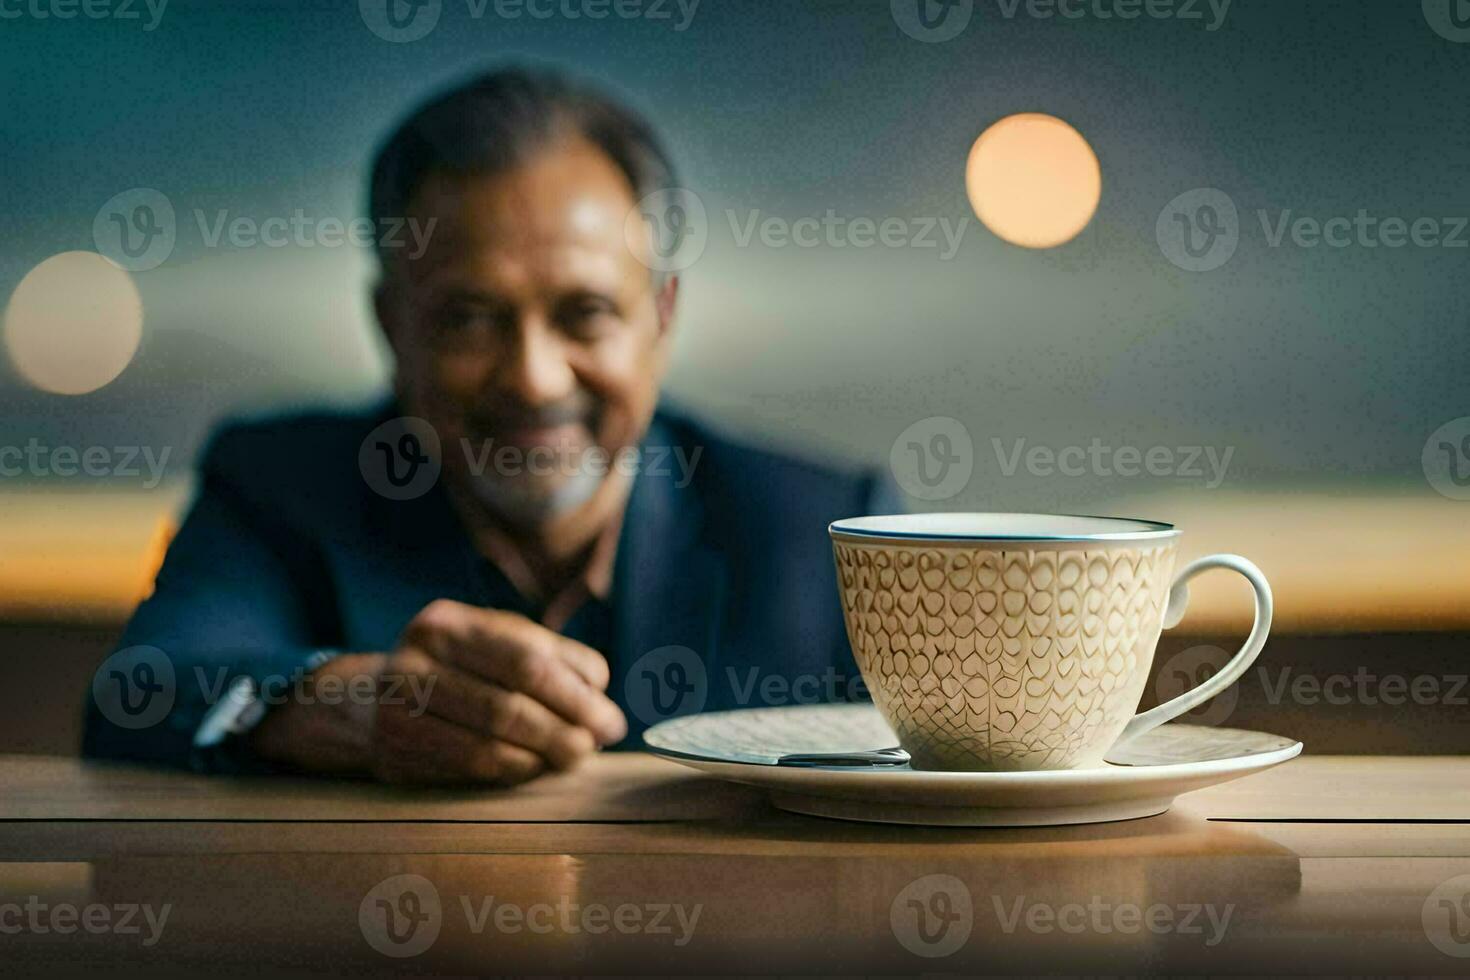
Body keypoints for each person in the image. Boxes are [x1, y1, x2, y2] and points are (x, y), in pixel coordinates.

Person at [82, 66, 900, 785]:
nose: (533, 379)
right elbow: (138, 700)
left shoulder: (824, 531)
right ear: (391, 325)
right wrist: (355, 708)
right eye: (469, 319)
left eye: (584, 315)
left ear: (662, 316)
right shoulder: (276, 486)